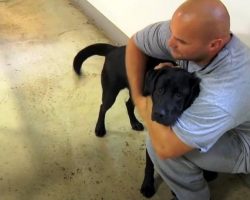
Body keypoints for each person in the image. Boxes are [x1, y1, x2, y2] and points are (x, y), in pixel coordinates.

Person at [125, 0, 250, 199]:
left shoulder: (224, 92)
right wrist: (137, 94)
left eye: (181, 41)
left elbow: (166, 148)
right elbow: (135, 43)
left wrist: (144, 100)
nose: (169, 43)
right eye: (173, 33)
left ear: (214, 45)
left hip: (244, 140)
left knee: (158, 146)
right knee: (163, 133)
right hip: (230, 117)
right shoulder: (186, 33)